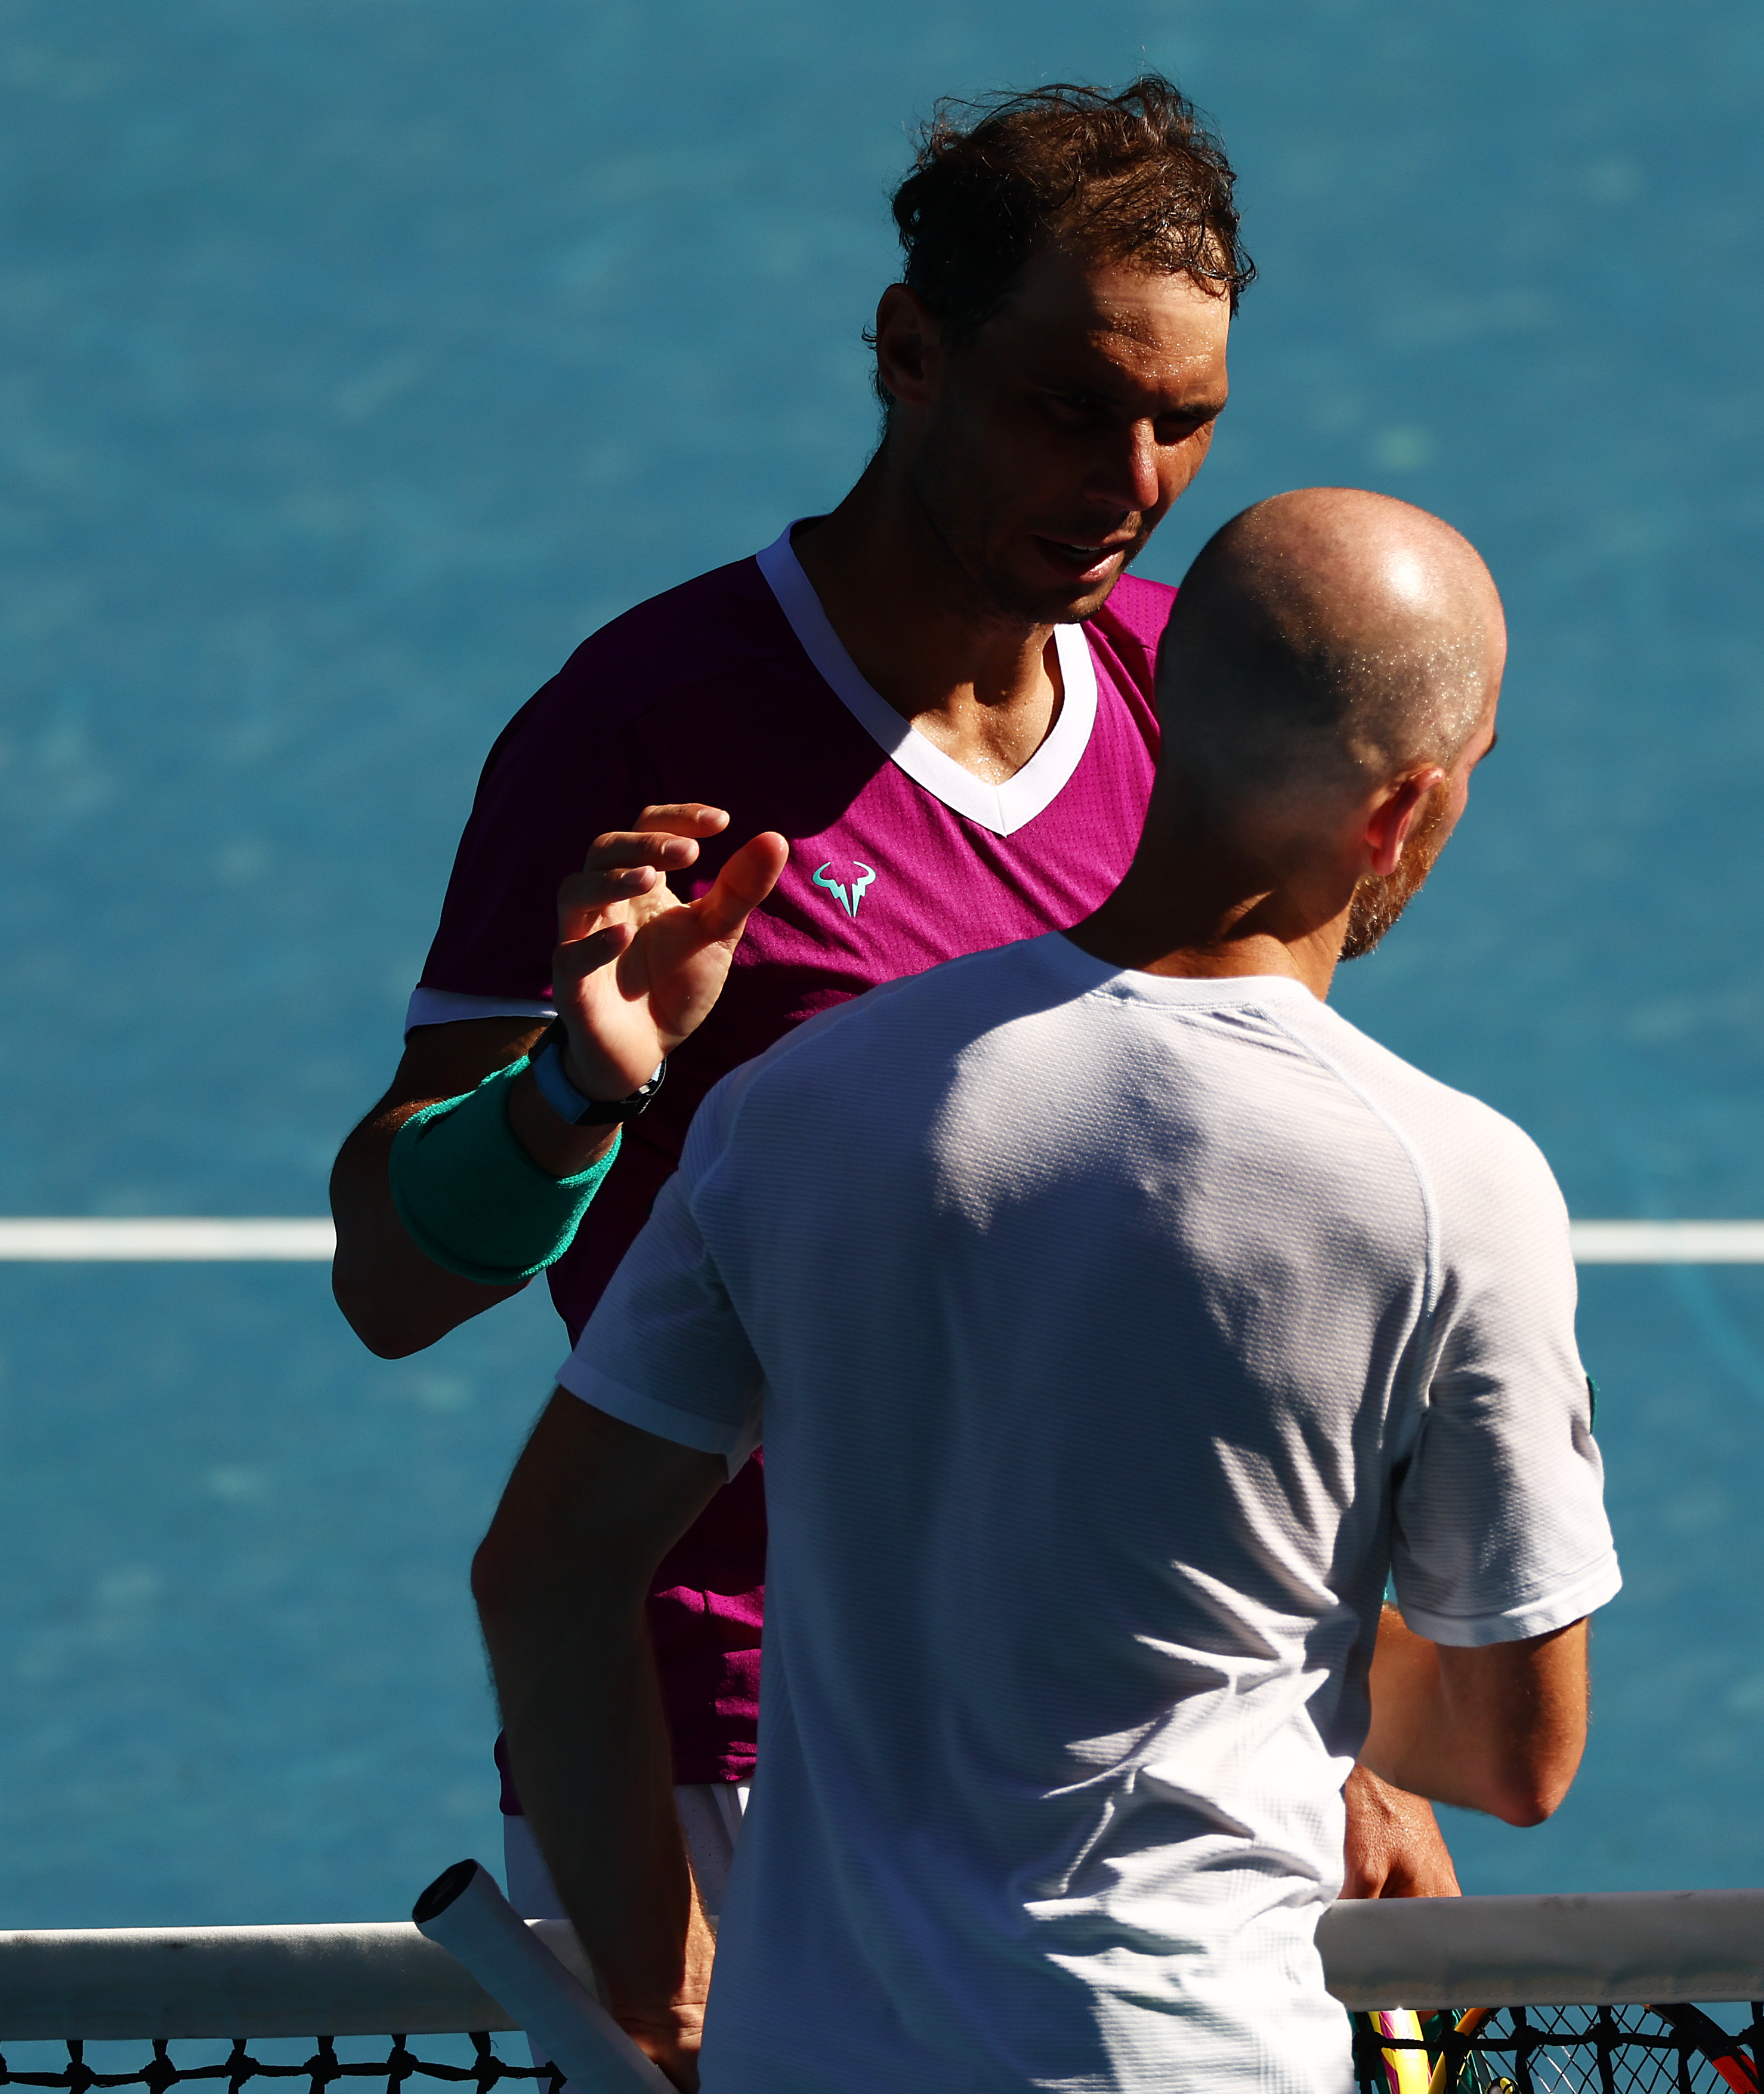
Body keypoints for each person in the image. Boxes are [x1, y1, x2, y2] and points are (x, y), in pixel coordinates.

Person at [323, 72, 1457, 2011]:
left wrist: (1336, 1725)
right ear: (911, 351)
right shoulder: (643, 729)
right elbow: (392, 1276)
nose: (1128, 478)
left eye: (1182, 422)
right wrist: (574, 1093)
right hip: (740, 1751)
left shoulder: (1200, 700)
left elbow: (1258, 1241)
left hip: (1134, 1731)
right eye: (1068, 407)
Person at [474, 488, 1621, 2093]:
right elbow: (1515, 1750)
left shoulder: (793, 1109)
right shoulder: (1453, 1180)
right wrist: (1287, 1654)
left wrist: (665, 2002)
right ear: (1403, 810)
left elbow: (545, 1578)